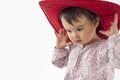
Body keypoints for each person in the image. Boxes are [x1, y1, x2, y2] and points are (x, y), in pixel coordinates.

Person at [39, 0, 120, 80]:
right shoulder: (75, 46)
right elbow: (59, 63)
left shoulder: (105, 47)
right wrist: (59, 48)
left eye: (79, 29)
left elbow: (117, 62)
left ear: (95, 23)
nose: (74, 35)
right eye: (69, 31)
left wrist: (115, 38)